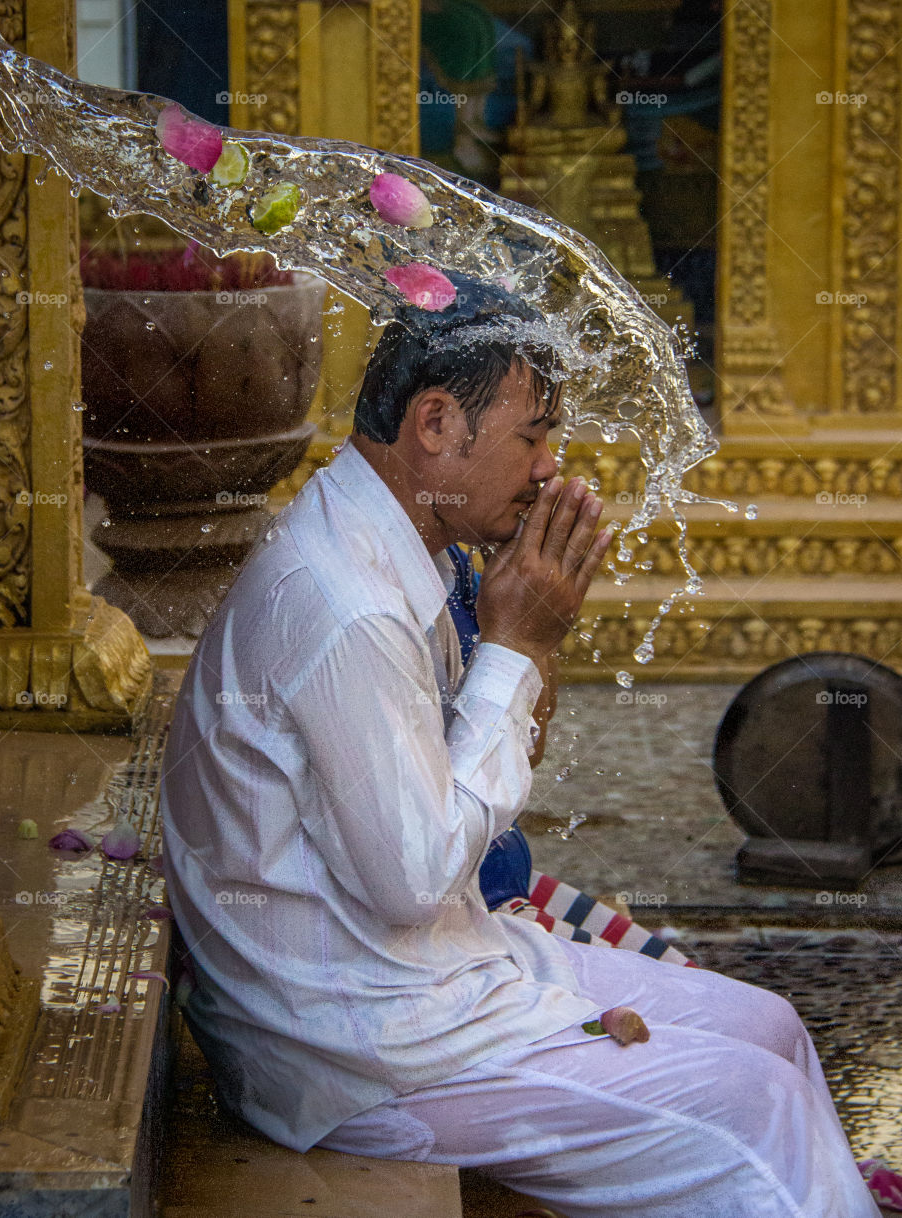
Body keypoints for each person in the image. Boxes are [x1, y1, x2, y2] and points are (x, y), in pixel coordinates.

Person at [158, 278, 879, 1217]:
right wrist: (521, 644)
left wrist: (530, 639)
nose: (550, 470)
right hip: (355, 1046)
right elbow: (416, 876)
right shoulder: (348, 605)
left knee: (772, 1026)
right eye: (533, 436)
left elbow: (475, 791)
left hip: (433, 970)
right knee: (758, 1105)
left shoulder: (411, 548)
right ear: (434, 425)